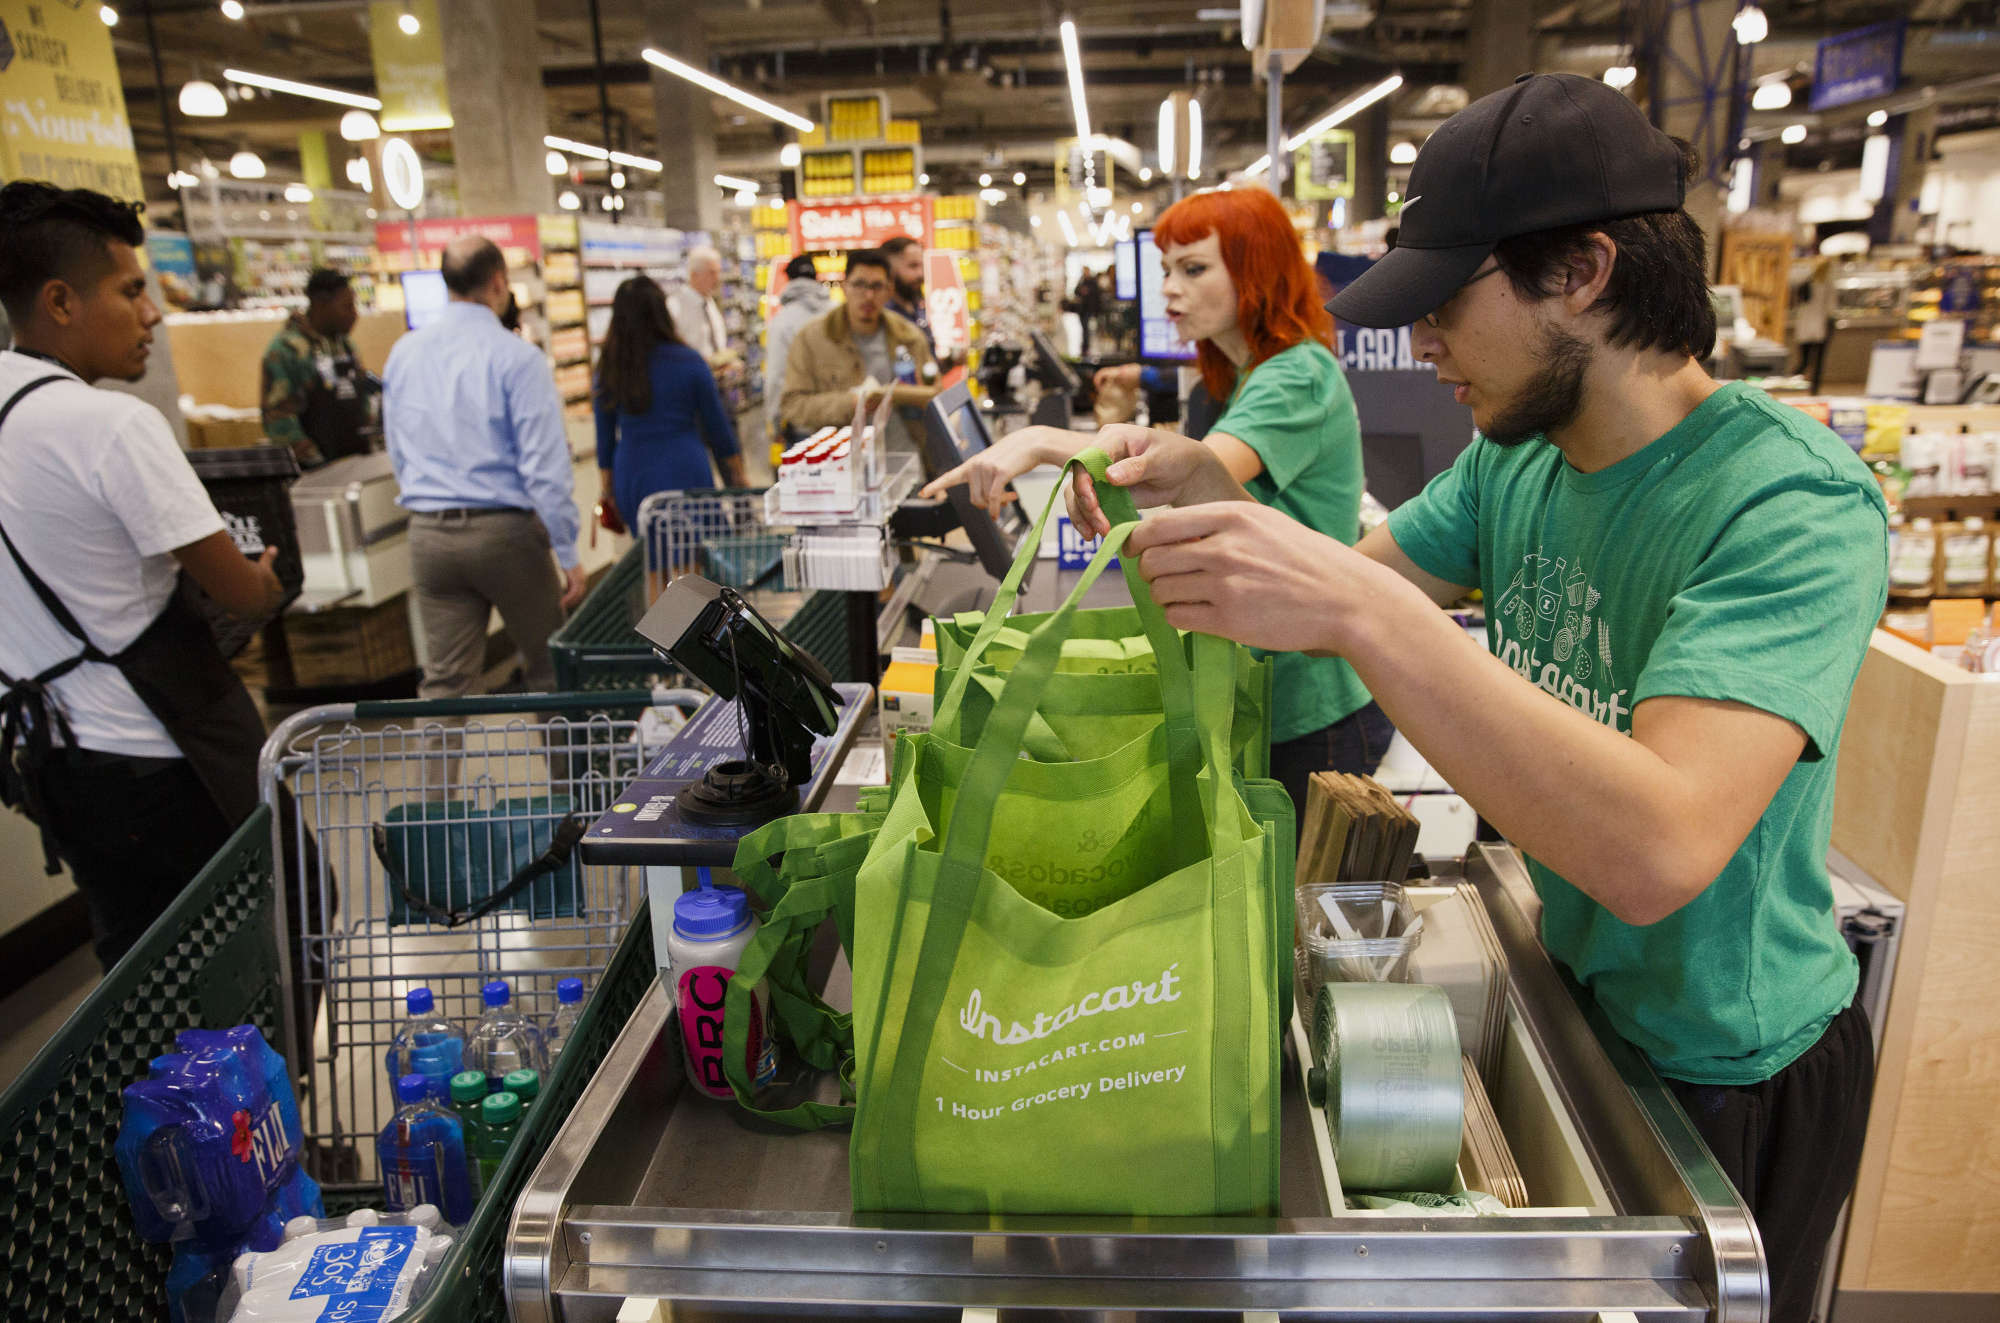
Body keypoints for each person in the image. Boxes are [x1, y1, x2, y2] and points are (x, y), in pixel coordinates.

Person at [1065, 74, 1883, 1323]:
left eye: (1447, 300)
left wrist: (1367, 615)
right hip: (1577, 995)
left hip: (1733, 1068)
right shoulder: (1518, 460)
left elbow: (1656, 846)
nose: (1424, 341)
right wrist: (1194, 507)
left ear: (1583, 273)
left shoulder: (1787, 504)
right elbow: (1343, 576)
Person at [924, 185, 1392, 802]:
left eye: (1194, 269)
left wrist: (1039, 441)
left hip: (1309, 703)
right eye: (1167, 269)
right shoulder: (1250, 371)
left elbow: (1194, 469)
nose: (1169, 288)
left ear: (1257, 271)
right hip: (1269, 673)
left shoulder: (1296, 375)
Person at [0, 181, 286, 969]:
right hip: (168, 763)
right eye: (131, 290)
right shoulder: (112, 424)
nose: (152, 313)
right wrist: (263, 578)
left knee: (140, 981)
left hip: (55, 765)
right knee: (254, 955)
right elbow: (237, 588)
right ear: (60, 301)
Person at [382, 235, 584, 700]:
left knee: (445, 685)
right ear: (498, 282)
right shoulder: (516, 358)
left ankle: (436, 775)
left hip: (429, 538)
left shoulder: (404, 353)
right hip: (505, 536)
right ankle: (566, 775)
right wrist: (567, 551)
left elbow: (398, 447)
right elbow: (543, 468)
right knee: (550, 673)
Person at [593, 274, 747, 529]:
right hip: (686, 467)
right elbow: (718, 428)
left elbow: (605, 440)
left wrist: (608, 490)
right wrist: (738, 474)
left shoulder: (609, 369)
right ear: (661, 311)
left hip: (633, 472)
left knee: (650, 552)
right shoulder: (689, 361)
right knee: (695, 553)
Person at [780, 247, 935, 457]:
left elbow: (936, 392)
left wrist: (892, 394)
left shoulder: (909, 336)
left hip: (905, 459)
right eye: (860, 284)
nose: (868, 295)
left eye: (877, 286)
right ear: (844, 287)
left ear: (889, 290)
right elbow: (793, 406)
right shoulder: (811, 338)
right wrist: (850, 402)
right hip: (842, 465)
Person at [259, 266, 379, 469]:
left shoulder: (345, 346)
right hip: (315, 474)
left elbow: (360, 397)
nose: (354, 314)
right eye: (347, 307)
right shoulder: (287, 351)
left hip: (355, 463)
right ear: (321, 304)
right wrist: (315, 460)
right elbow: (278, 419)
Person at [764, 253, 831, 446]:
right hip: (841, 420)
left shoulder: (782, 322)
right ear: (816, 277)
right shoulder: (837, 312)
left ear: (789, 280)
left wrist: (775, 422)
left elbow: (776, 376)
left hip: (802, 422)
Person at [668, 245, 734, 369]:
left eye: (719, 272)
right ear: (694, 275)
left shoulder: (708, 302)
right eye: (712, 273)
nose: (717, 278)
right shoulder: (674, 307)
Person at [879, 235, 936, 356]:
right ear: (889, 269)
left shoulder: (916, 306)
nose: (921, 274)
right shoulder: (882, 317)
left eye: (922, 266)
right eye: (913, 266)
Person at [1792, 256, 1831, 393]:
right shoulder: (1827, 284)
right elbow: (1831, 307)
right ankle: (1812, 389)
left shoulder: (1806, 281)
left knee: (1804, 361)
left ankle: (1794, 386)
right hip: (1820, 327)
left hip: (1805, 326)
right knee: (1817, 362)